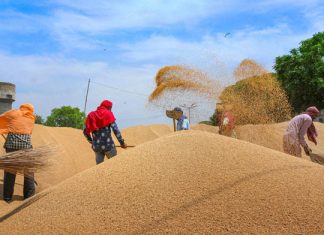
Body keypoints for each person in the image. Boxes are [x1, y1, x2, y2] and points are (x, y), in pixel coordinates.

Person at [0, 104, 36, 203]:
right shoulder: (32, 117)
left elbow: (2, 118)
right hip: (26, 148)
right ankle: (29, 196)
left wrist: (5, 128)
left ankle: (7, 197)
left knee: (10, 171)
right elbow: (29, 132)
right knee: (28, 172)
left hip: (11, 146)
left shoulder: (13, 112)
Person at [83, 100, 127, 164]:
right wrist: (122, 143)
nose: (111, 110)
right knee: (114, 165)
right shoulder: (108, 113)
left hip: (96, 147)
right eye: (110, 108)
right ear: (108, 107)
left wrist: (92, 142)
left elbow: (85, 131)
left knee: (99, 167)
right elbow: (116, 130)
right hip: (108, 146)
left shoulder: (91, 115)